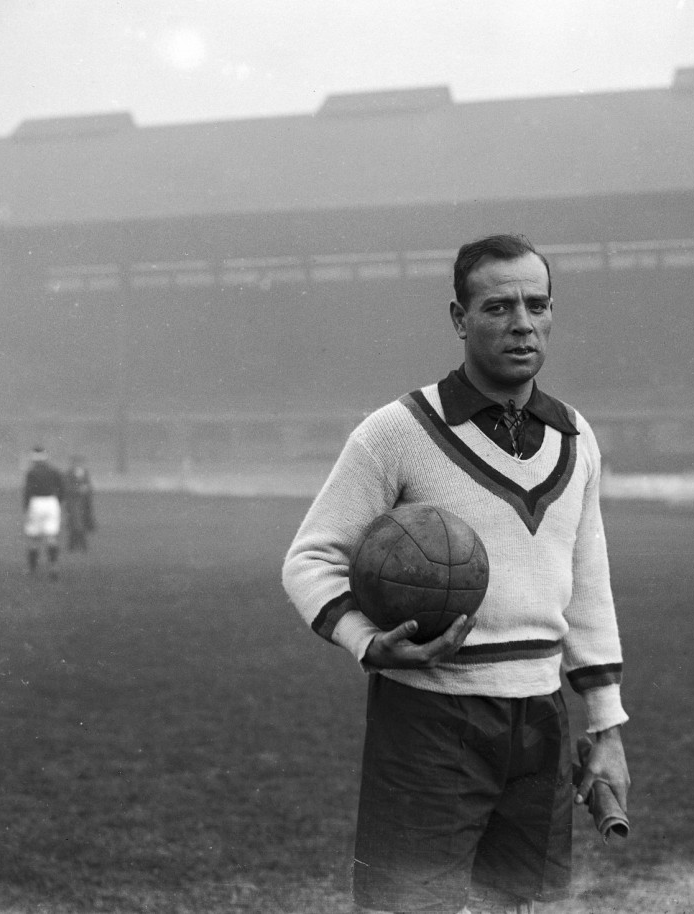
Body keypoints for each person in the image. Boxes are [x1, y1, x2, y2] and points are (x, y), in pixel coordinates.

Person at [282, 234, 630, 914]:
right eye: (498, 306)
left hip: (540, 717)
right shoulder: (397, 431)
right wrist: (365, 640)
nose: (522, 322)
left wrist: (607, 728)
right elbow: (310, 558)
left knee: (520, 906)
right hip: (428, 716)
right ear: (458, 318)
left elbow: (588, 582)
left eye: (538, 304)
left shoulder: (576, 435)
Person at [23, 445, 65, 578]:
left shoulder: (31, 472)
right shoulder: (54, 470)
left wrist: (26, 507)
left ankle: (32, 569)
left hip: (36, 502)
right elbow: (62, 488)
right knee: (51, 536)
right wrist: (57, 501)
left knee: (34, 537)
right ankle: (53, 566)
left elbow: (27, 491)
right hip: (52, 502)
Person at [63, 455, 96, 551]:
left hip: (84, 503)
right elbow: (66, 488)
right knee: (76, 523)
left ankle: (73, 546)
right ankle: (80, 546)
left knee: (80, 523)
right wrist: (78, 490)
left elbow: (89, 487)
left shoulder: (85, 473)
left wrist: (87, 490)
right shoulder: (68, 474)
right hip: (73, 502)